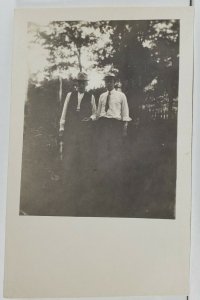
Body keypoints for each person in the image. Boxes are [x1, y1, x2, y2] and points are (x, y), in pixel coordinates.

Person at [95, 72, 132, 201]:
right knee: (103, 152)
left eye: (110, 81)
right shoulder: (102, 96)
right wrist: (91, 118)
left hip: (115, 125)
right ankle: (103, 182)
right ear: (105, 83)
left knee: (115, 152)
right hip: (103, 125)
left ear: (114, 82)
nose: (108, 83)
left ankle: (115, 183)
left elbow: (125, 113)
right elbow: (98, 113)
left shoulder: (121, 96)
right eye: (106, 81)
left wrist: (124, 127)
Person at [59, 72, 96, 190]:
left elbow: (95, 113)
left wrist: (90, 118)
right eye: (79, 83)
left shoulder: (91, 96)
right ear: (77, 84)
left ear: (86, 84)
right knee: (69, 154)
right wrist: (61, 127)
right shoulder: (70, 95)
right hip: (71, 129)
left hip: (84, 131)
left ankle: (83, 184)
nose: (81, 85)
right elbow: (64, 111)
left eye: (83, 83)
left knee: (84, 155)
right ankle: (67, 183)